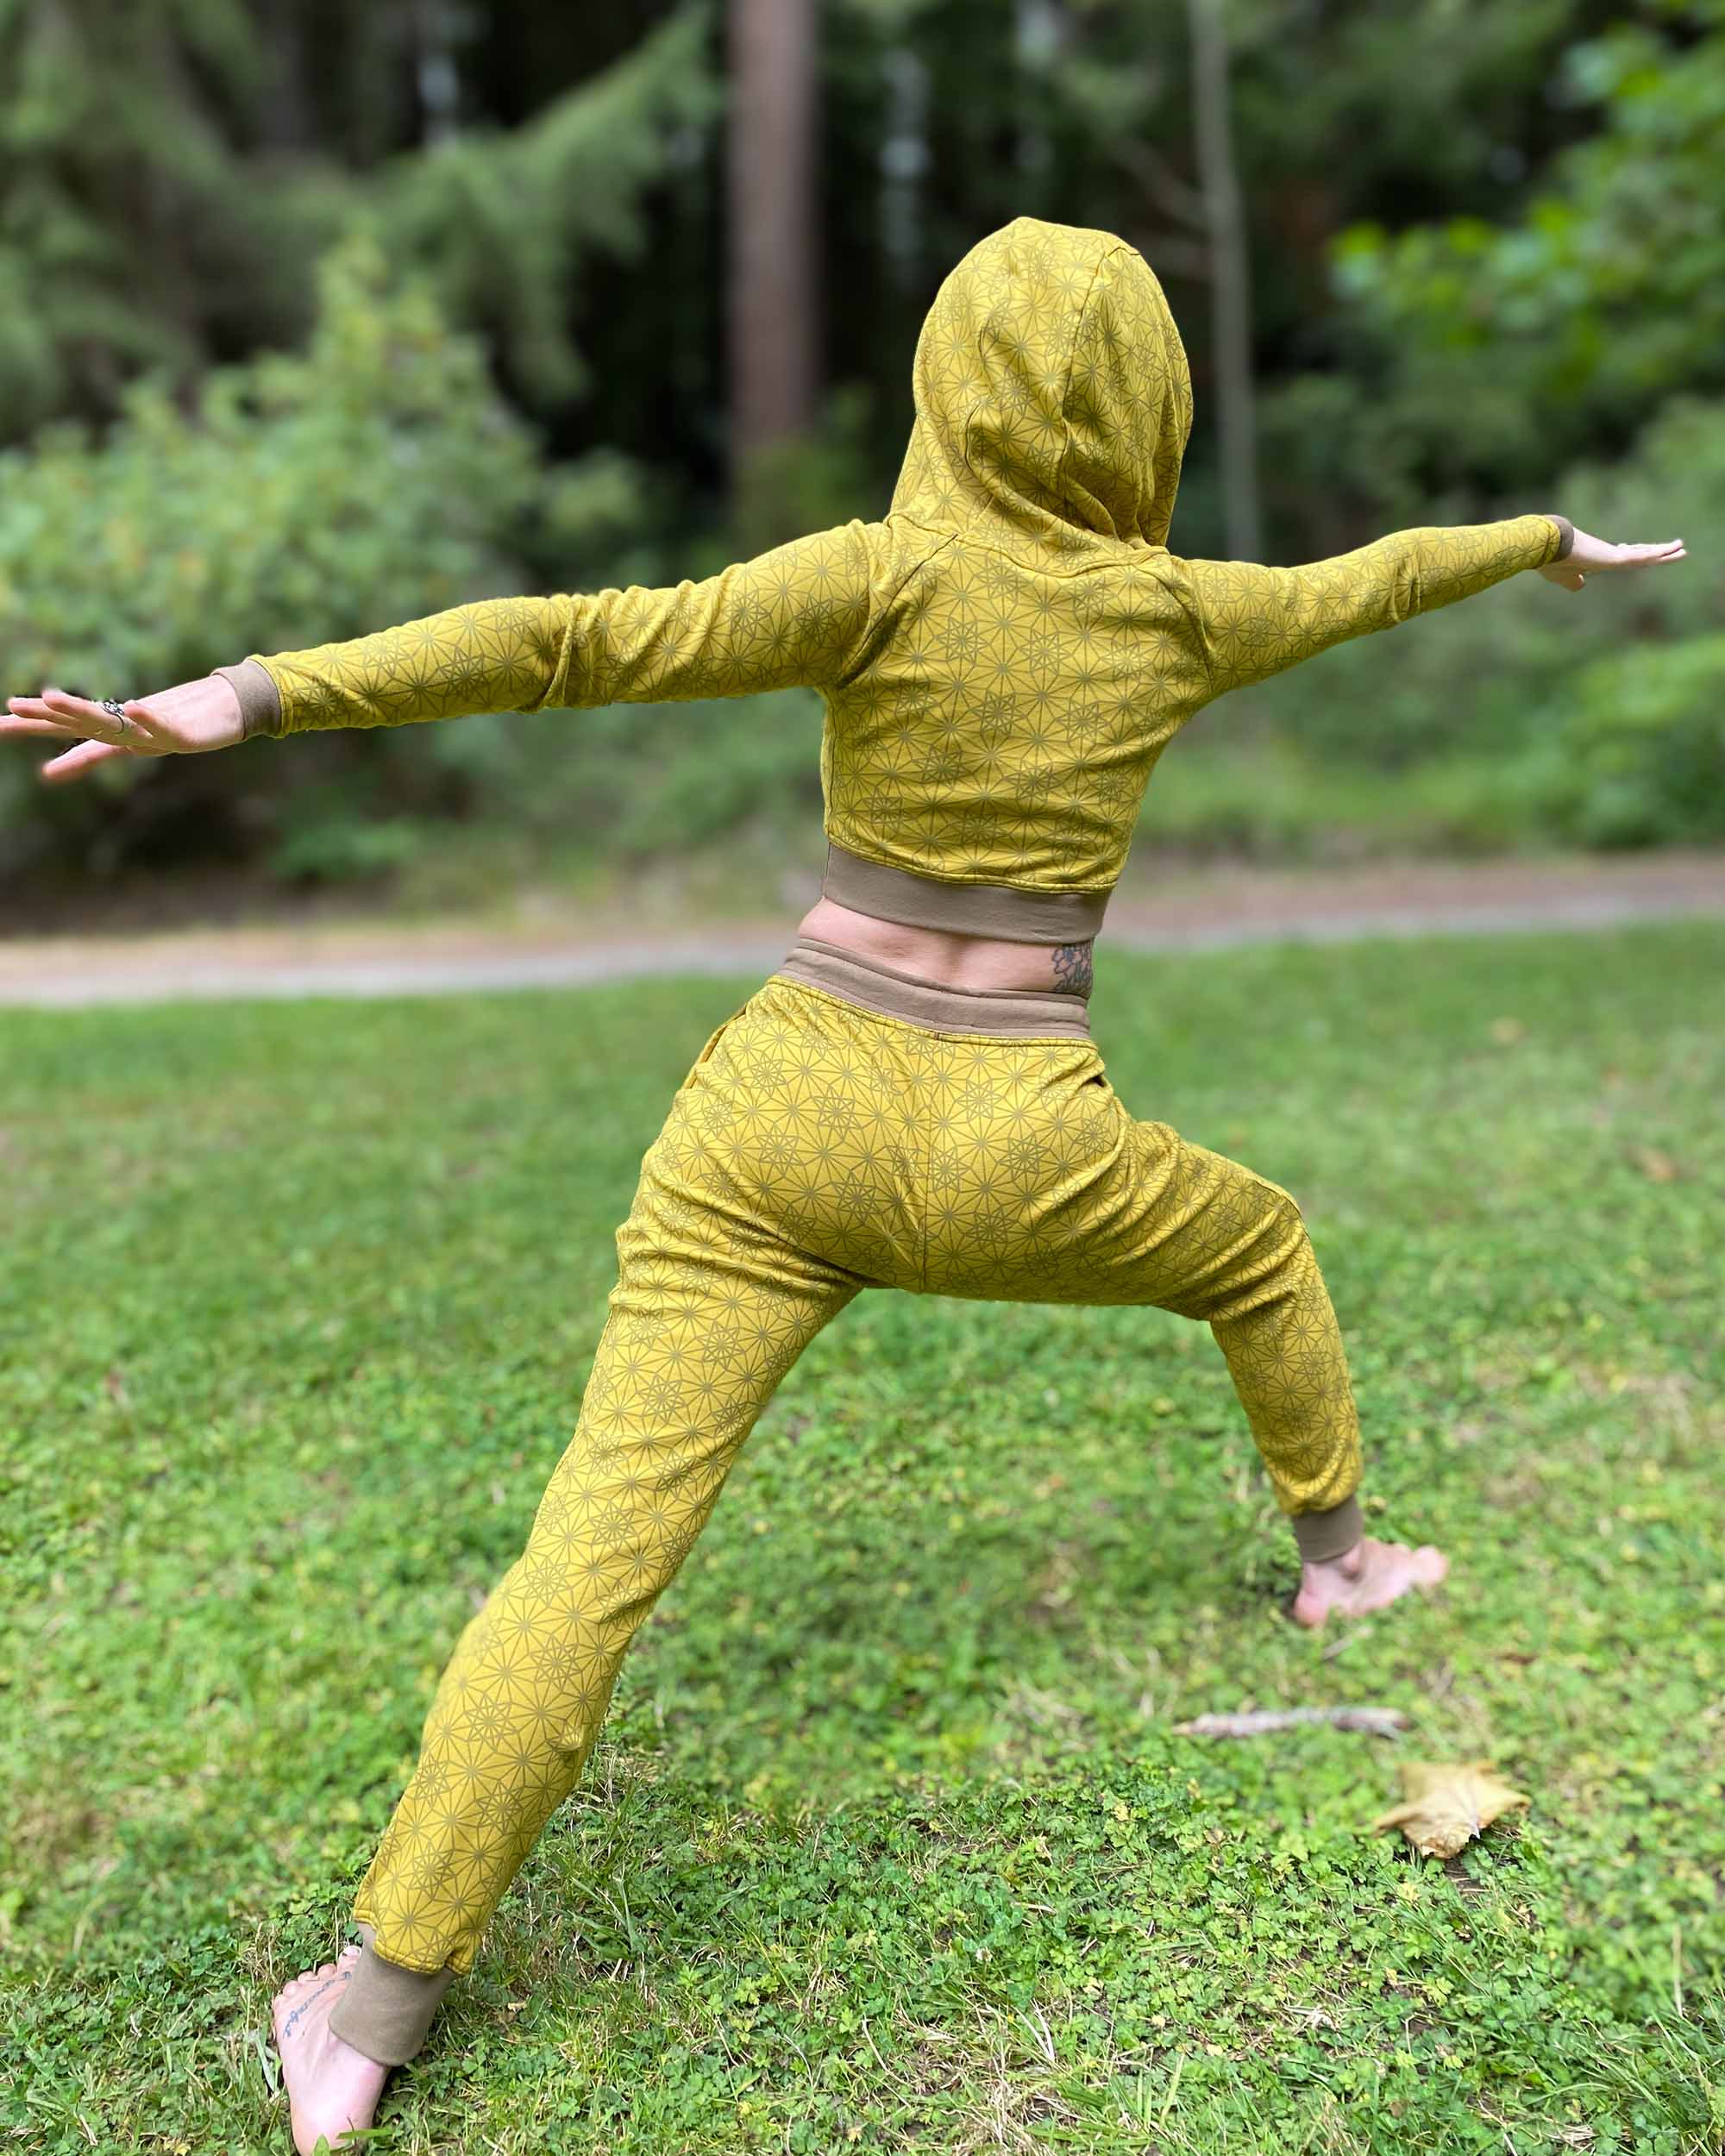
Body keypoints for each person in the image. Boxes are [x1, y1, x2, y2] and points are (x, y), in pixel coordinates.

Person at [3, 214, 1685, 2155]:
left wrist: (249, 690)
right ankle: (1344, 1564)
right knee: (1259, 1243)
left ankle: (372, 2004)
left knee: (587, 1559)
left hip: (772, 1124)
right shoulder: (1175, 610)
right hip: (1017, 1137)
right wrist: (1537, 545)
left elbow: (572, 642)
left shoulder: (878, 574)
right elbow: (1364, 581)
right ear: (1154, 404)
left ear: (941, 390)